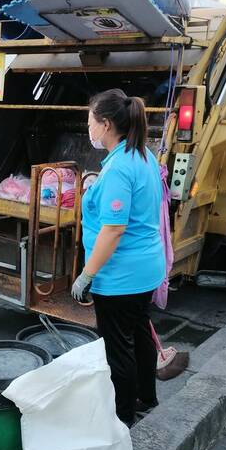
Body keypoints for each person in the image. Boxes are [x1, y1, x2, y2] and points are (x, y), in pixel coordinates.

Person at [71, 89, 165, 427]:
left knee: (118, 346)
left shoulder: (119, 169)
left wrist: (87, 275)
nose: (89, 129)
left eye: (90, 122)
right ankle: (146, 397)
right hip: (145, 269)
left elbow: (113, 230)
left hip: (120, 276)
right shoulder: (142, 156)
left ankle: (123, 416)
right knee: (139, 333)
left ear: (106, 124)